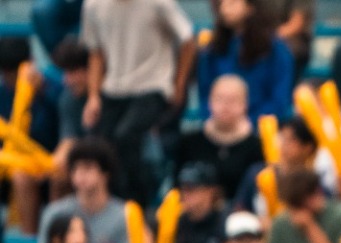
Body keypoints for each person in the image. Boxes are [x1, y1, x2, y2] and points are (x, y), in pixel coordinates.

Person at [79, 0, 196, 204]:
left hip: (153, 85)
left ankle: (137, 203)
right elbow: (96, 53)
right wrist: (93, 96)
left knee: (126, 136)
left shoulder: (160, 3)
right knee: (101, 145)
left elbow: (188, 41)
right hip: (114, 87)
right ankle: (111, 203)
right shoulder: (93, 5)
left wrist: (178, 84)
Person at [196, 0, 293, 121]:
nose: (225, 8)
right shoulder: (212, 50)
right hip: (218, 128)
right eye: (222, 3)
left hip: (259, 130)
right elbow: (205, 95)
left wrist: (248, 126)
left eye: (232, 3)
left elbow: (279, 100)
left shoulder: (275, 50)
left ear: (250, 7)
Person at [38, 139, 129, 243]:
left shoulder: (124, 216)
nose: (80, 174)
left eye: (88, 168)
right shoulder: (55, 213)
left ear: (106, 173)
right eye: (75, 168)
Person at [176, 76, 264, 202]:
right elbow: (177, 187)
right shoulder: (189, 142)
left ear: (245, 104)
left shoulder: (257, 146)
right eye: (220, 99)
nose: (225, 106)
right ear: (209, 102)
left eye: (233, 100)